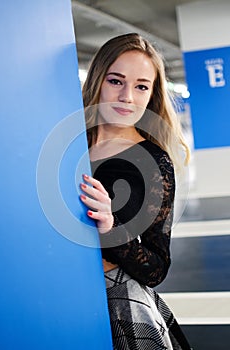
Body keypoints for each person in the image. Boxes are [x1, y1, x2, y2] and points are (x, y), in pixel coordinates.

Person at [80, 33, 192, 349]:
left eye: (141, 86)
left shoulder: (154, 163)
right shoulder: (67, 143)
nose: (127, 96)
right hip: (50, 291)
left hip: (114, 299)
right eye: (116, 81)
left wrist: (111, 227)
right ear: (99, 81)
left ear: (152, 94)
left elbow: (157, 268)